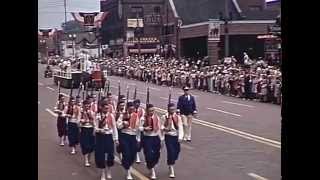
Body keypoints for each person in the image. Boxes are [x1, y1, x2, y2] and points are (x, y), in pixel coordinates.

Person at [117, 101, 141, 180]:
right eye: (130, 109)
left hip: (133, 137)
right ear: (127, 108)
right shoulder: (122, 115)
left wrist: (138, 139)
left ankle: (128, 165)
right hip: (125, 136)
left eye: (133, 109)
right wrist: (123, 124)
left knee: (132, 155)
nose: (132, 110)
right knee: (126, 153)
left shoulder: (136, 116)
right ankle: (128, 172)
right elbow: (118, 126)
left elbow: (138, 128)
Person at [95, 102, 119, 180]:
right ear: (101, 107)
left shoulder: (111, 116)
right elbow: (95, 128)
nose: (106, 109)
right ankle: (102, 173)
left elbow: (114, 127)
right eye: (105, 108)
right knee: (101, 155)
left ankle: (109, 171)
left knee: (110, 155)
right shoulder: (98, 116)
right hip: (100, 137)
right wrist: (100, 130)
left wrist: (116, 139)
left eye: (107, 108)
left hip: (109, 136)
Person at [161, 103, 184, 178]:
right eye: (171, 109)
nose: (172, 111)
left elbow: (180, 127)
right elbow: (161, 126)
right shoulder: (164, 117)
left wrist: (180, 137)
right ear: (168, 109)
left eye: (173, 109)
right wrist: (164, 129)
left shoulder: (177, 117)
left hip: (175, 136)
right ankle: (171, 167)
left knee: (177, 152)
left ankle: (171, 161)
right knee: (171, 152)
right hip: (168, 136)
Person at [141, 104, 163, 179]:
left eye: (153, 110)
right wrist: (144, 128)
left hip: (155, 137)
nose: (152, 112)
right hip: (147, 138)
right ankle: (152, 169)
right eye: (150, 111)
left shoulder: (157, 117)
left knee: (157, 155)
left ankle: (151, 164)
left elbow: (159, 128)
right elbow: (138, 127)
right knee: (149, 154)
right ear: (147, 111)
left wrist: (161, 139)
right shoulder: (143, 118)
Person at [79, 100, 96, 167]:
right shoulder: (81, 113)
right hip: (84, 129)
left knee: (91, 146)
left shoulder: (92, 112)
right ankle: (86, 160)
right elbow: (78, 123)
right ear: (83, 105)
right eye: (85, 105)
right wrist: (82, 121)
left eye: (88, 104)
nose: (87, 106)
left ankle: (88, 159)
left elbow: (94, 122)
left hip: (91, 129)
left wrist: (94, 129)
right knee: (86, 145)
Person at [133, 99, 145, 163]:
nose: (137, 104)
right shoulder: (131, 110)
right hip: (133, 128)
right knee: (135, 142)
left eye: (138, 103)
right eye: (136, 103)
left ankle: (136, 153)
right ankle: (136, 155)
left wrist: (141, 127)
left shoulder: (142, 110)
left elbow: (143, 119)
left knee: (139, 143)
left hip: (140, 128)